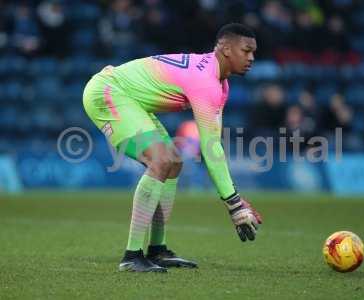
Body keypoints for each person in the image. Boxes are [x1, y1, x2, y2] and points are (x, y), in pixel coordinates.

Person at [82, 23, 262, 273]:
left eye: (253, 52)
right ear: (226, 49)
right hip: (108, 92)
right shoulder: (207, 82)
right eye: (247, 50)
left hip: (130, 99)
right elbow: (211, 149)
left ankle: (157, 250)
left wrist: (234, 202)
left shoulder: (220, 84)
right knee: (162, 160)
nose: (252, 58)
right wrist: (234, 205)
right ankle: (132, 256)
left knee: (174, 162)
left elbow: (212, 144)